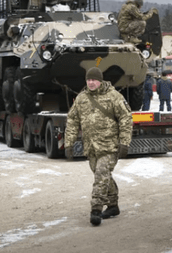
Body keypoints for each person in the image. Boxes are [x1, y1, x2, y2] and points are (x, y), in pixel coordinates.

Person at [64, 67, 132, 226]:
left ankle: (96, 209)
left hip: (109, 146)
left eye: (94, 80)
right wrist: (69, 143)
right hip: (91, 147)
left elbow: (125, 119)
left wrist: (124, 142)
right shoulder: (81, 98)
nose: (91, 83)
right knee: (103, 175)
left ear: (100, 81)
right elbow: (73, 120)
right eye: (88, 80)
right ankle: (113, 206)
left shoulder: (114, 97)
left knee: (101, 175)